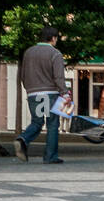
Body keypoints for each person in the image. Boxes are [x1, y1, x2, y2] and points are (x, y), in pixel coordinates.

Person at [14, 25, 68, 164]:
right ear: (54, 38)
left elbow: (23, 74)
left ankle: (23, 139)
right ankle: (50, 157)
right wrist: (65, 93)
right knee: (52, 124)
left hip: (33, 94)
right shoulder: (55, 54)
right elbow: (58, 77)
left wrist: (28, 88)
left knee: (37, 122)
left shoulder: (28, 52)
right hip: (49, 94)